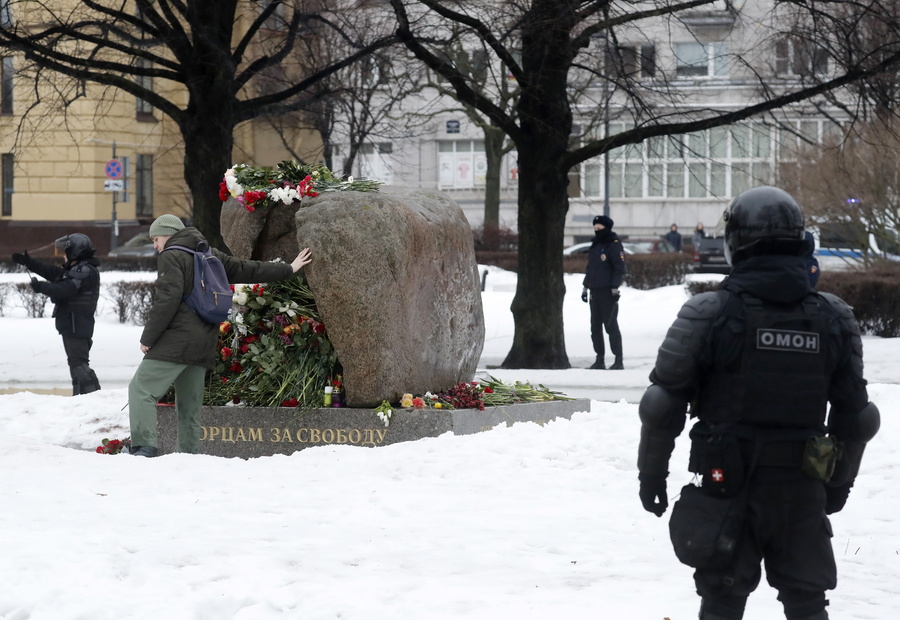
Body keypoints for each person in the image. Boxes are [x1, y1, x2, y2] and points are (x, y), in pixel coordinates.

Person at [636, 186, 879, 620]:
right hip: (802, 483)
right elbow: (857, 417)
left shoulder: (708, 312)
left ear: (736, 243)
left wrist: (651, 474)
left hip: (728, 480)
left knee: (723, 602)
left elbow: (661, 405)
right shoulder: (833, 316)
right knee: (806, 602)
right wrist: (839, 483)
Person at [128, 214, 313, 457]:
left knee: (140, 389)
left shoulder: (171, 255)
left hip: (176, 339)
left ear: (169, 234)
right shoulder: (208, 253)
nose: (155, 245)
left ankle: (143, 447)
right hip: (204, 340)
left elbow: (167, 300)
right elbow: (247, 269)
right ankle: (188, 455)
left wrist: (148, 338)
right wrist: (288, 268)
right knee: (189, 404)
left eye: (156, 238)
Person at [12, 234, 102, 395]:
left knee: (79, 365)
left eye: (66, 252)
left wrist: (41, 287)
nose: (63, 255)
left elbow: (65, 289)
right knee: (75, 365)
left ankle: (94, 397)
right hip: (72, 325)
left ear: (75, 251)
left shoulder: (84, 270)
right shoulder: (77, 269)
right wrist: (29, 262)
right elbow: (54, 273)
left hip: (77, 325)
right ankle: (81, 400)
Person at [581, 215, 624, 370]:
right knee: (595, 327)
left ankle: (618, 360)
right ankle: (599, 359)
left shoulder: (614, 245)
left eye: (599, 228)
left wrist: (614, 287)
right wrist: (586, 286)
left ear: (607, 228)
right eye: (595, 228)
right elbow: (590, 268)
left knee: (610, 325)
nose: (596, 231)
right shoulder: (595, 245)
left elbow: (619, 268)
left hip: (607, 291)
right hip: (594, 291)